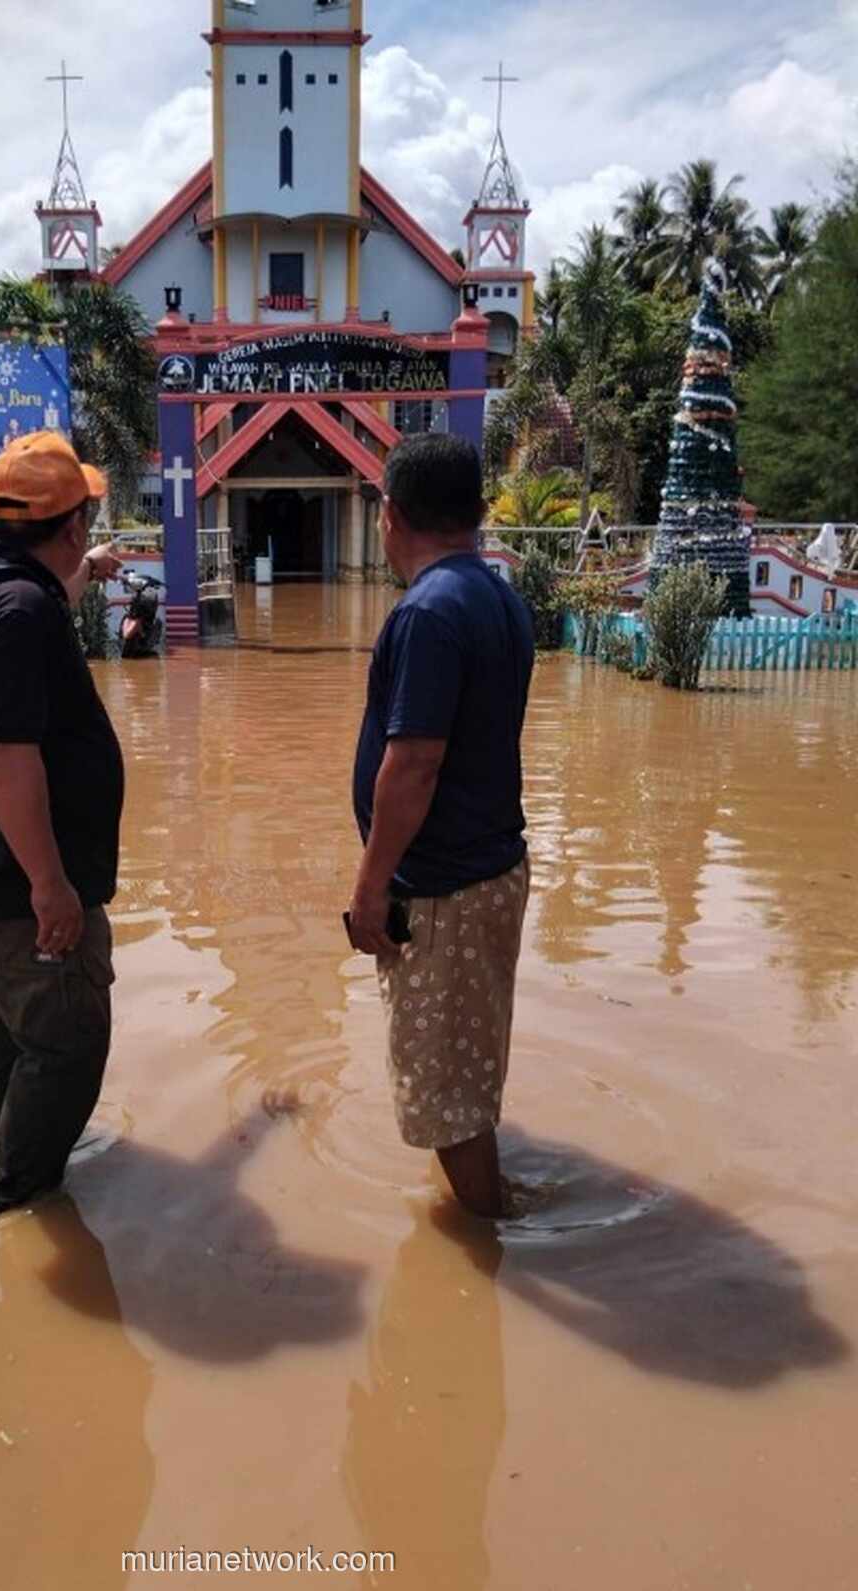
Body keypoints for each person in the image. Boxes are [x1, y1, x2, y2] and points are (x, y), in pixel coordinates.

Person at [348, 434, 534, 1219]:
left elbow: (415, 763)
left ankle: (492, 1238)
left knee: (445, 1095)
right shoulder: (498, 596)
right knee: (466, 1064)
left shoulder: (426, 613)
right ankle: (489, 1199)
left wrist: (369, 884)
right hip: (491, 870)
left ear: (390, 516)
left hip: (445, 891)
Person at [0, 432, 124, 1224]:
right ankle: (11, 1201)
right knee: (68, 1040)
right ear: (73, 524)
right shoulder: (20, 611)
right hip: (26, 884)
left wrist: (89, 577)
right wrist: (52, 887)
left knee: (18, 1030)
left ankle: (9, 1148)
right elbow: (7, 758)